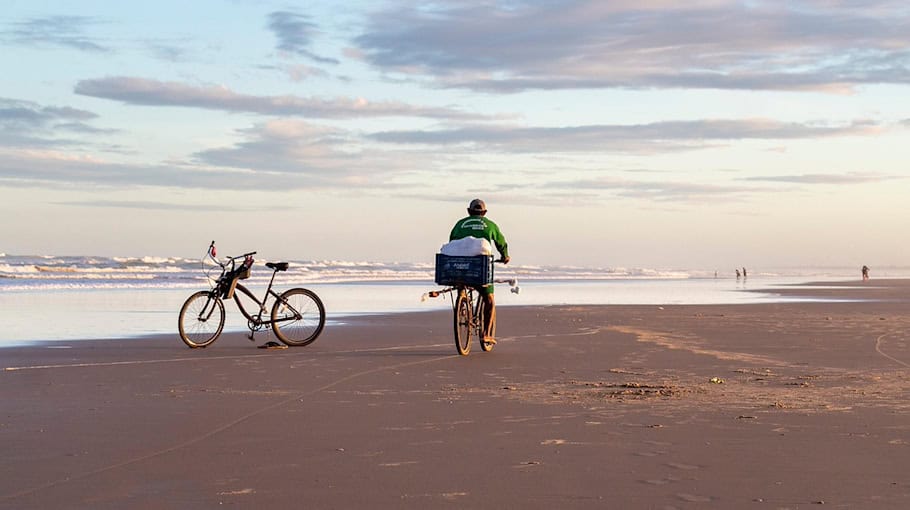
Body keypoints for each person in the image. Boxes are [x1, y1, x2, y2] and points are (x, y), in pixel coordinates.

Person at [450, 199, 510, 344]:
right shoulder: (490, 225)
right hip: (480, 268)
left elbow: (452, 242)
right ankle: (486, 334)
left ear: (469, 211)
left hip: (458, 266)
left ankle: (462, 298)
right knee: (489, 299)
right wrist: (505, 255)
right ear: (484, 213)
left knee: (461, 280)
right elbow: (501, 242)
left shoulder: (460, 224)